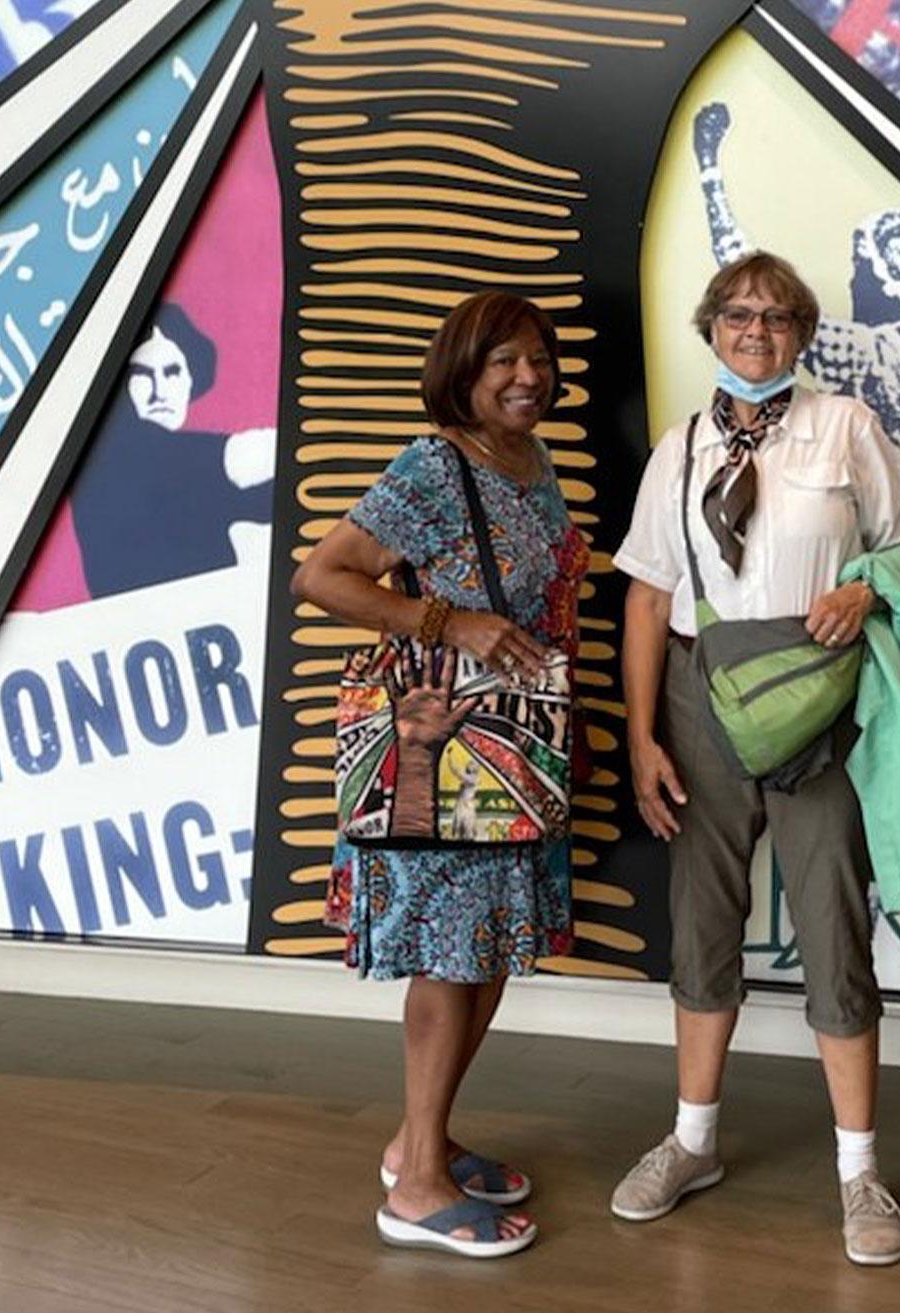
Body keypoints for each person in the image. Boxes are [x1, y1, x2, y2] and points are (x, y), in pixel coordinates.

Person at [610, 250, 900, 1266]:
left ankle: (859, 1170)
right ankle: (691, 1139)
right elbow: (650, 596)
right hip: (704, 694)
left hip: (816, 695)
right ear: (711, 327)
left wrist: (866, 587)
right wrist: (644, 733)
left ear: (803, 334)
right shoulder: (682, 446)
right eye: (740, 313)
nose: (757, 329)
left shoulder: (846, 428)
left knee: (832, 917)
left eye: (779, 316)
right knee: (703, 919)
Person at [290, 290, 589, 1260]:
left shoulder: (533, 461)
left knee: (489, 949)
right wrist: (446, 623)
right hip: (446, 746)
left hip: (518, 744)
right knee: (448, 956)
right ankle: (415, 1187)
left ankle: (420, 1139)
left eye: (538, 356)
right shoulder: (432, 465)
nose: (526, 375)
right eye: (503, 358)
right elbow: (322, 574)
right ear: (462, 367)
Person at [72, 303, 274, 597]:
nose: (159, 390)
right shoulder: (110, 454)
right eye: (141, 374)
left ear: (191, 379)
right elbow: (234, 458)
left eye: (172, 372)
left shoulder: (191, 481)